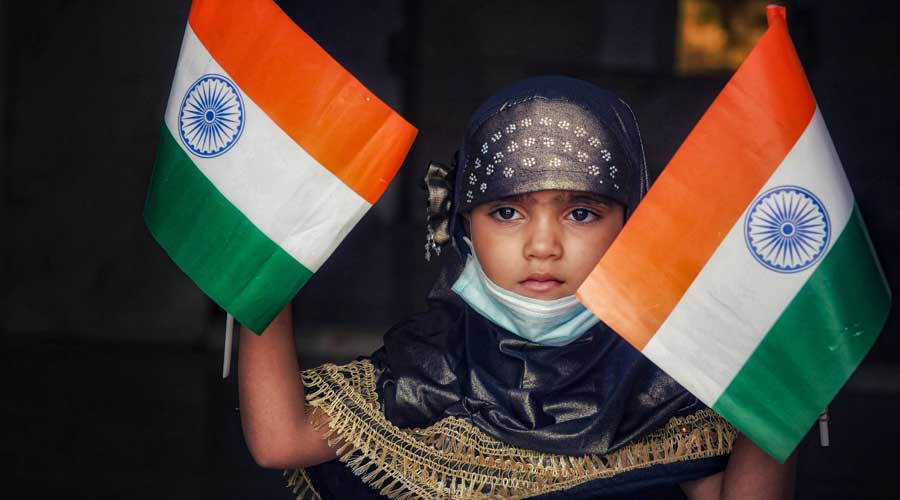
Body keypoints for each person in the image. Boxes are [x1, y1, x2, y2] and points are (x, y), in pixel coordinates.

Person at [238, 76, 797, 499]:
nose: (543, 246)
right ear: (459, 223)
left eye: (581, 213)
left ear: (633, 224)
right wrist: (260, 271)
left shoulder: (666, 378)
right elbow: (280, 440)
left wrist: (788, 393)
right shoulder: (431, 368)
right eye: (507, 211)